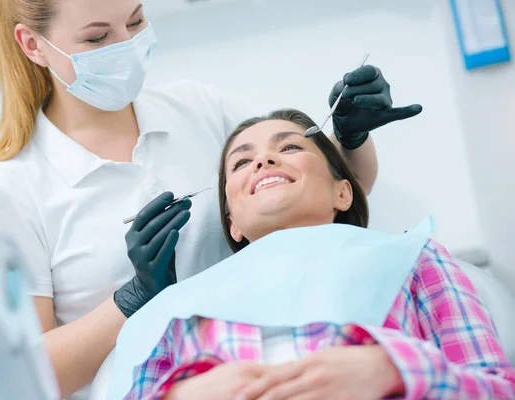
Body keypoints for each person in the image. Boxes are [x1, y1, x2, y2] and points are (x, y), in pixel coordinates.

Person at [0, 0, 422, 397]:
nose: (126, 45)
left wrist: (350, 137)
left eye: (136, 21)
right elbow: (21, 378)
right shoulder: (8, 192)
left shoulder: (198, 108)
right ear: (32, 44)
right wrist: (133, 298)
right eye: (97, 37)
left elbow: (336, 191)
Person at [121, 109, 515, 400]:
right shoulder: (179, 310)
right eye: (242, 161)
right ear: (232, 222)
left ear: (342, 192)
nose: (263, 161)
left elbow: (497, 389)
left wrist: (396, 371)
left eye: (290, 146)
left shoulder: (413, 260)